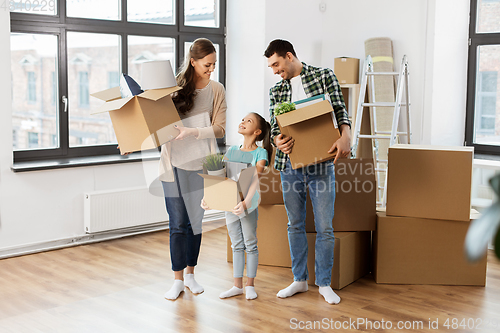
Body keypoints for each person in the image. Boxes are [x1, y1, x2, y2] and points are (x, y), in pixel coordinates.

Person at [264, 39, 351, 304]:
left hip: (321, 163)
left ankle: (323, 283)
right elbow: (273, 127)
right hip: (290, 166)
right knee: (295, 224)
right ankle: (299, 281)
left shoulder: (323, 76)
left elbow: (340, 110)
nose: (275, 71)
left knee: (325, 226)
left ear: (289, 56)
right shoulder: (277, 90)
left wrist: (346, 136)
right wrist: (276, 140)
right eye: (271, 67)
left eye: (277, 64)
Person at [159, 38, 227, 300]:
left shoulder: (216, 89)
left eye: (214, 64)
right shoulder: (173, 87)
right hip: (173, 165)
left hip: (202, 165)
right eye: (207, 65)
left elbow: (220, 128)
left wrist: (193, 131)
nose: (211, 69)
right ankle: (176, 280)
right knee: (177, 223)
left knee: (195, 224)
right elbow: (155, 122)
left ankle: (190, 274)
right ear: (193, 61)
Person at [201, 112, 270, 300]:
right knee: (236, 244)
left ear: (257, 131)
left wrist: (246, 202)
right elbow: (221, 178)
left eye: (249, 121)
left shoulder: (260, 152)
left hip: (248, 204)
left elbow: (255, 178)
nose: (243, 122)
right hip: (230, 204)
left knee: (250, 243)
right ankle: (237, 285)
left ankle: (250, 285)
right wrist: (208, 198)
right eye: (242, 119)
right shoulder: (232, 151)